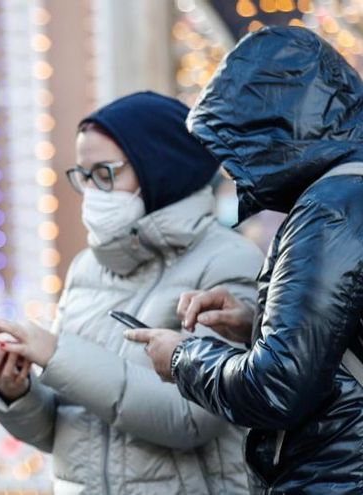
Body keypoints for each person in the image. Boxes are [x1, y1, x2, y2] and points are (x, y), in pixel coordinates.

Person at [0, 91, 264, 495]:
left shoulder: (229, 261)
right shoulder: (86, 267)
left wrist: (56, 354)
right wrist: (16, 391)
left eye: (105, 173)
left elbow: (191, 419)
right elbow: (64, 431)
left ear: (159, 167)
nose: (92, 191)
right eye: (83, 175)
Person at [127, 27, 363, 494]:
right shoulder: (347, 197)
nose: (230, 168)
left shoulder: (330, 210)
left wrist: (181, 356)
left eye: (235, 145)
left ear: (275, 127)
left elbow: (276, 386)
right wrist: (257, 323)